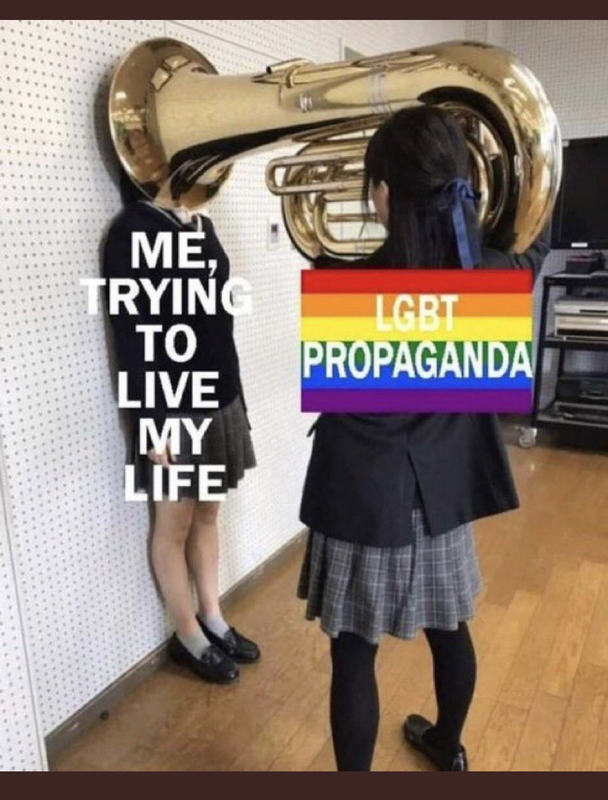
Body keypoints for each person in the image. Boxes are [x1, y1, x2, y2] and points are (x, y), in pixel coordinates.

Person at [297, 106, 550, 771]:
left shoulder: (337, 281)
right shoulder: (496, 277)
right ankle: (447, 746)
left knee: (354, 652)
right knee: (449, 628)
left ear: (383, 193)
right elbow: (536, 242)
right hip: (440, 497)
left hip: (359, 498)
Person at [102, 172, 260, 685]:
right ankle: (188, 635)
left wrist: (237, 398)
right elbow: (132, 335)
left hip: (219, 395)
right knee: (173, 525)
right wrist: (150, 421)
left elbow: (218, 320)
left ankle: (212, 617)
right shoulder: (130, 230)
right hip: (172, 404)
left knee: (208, 513)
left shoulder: (197, 222)